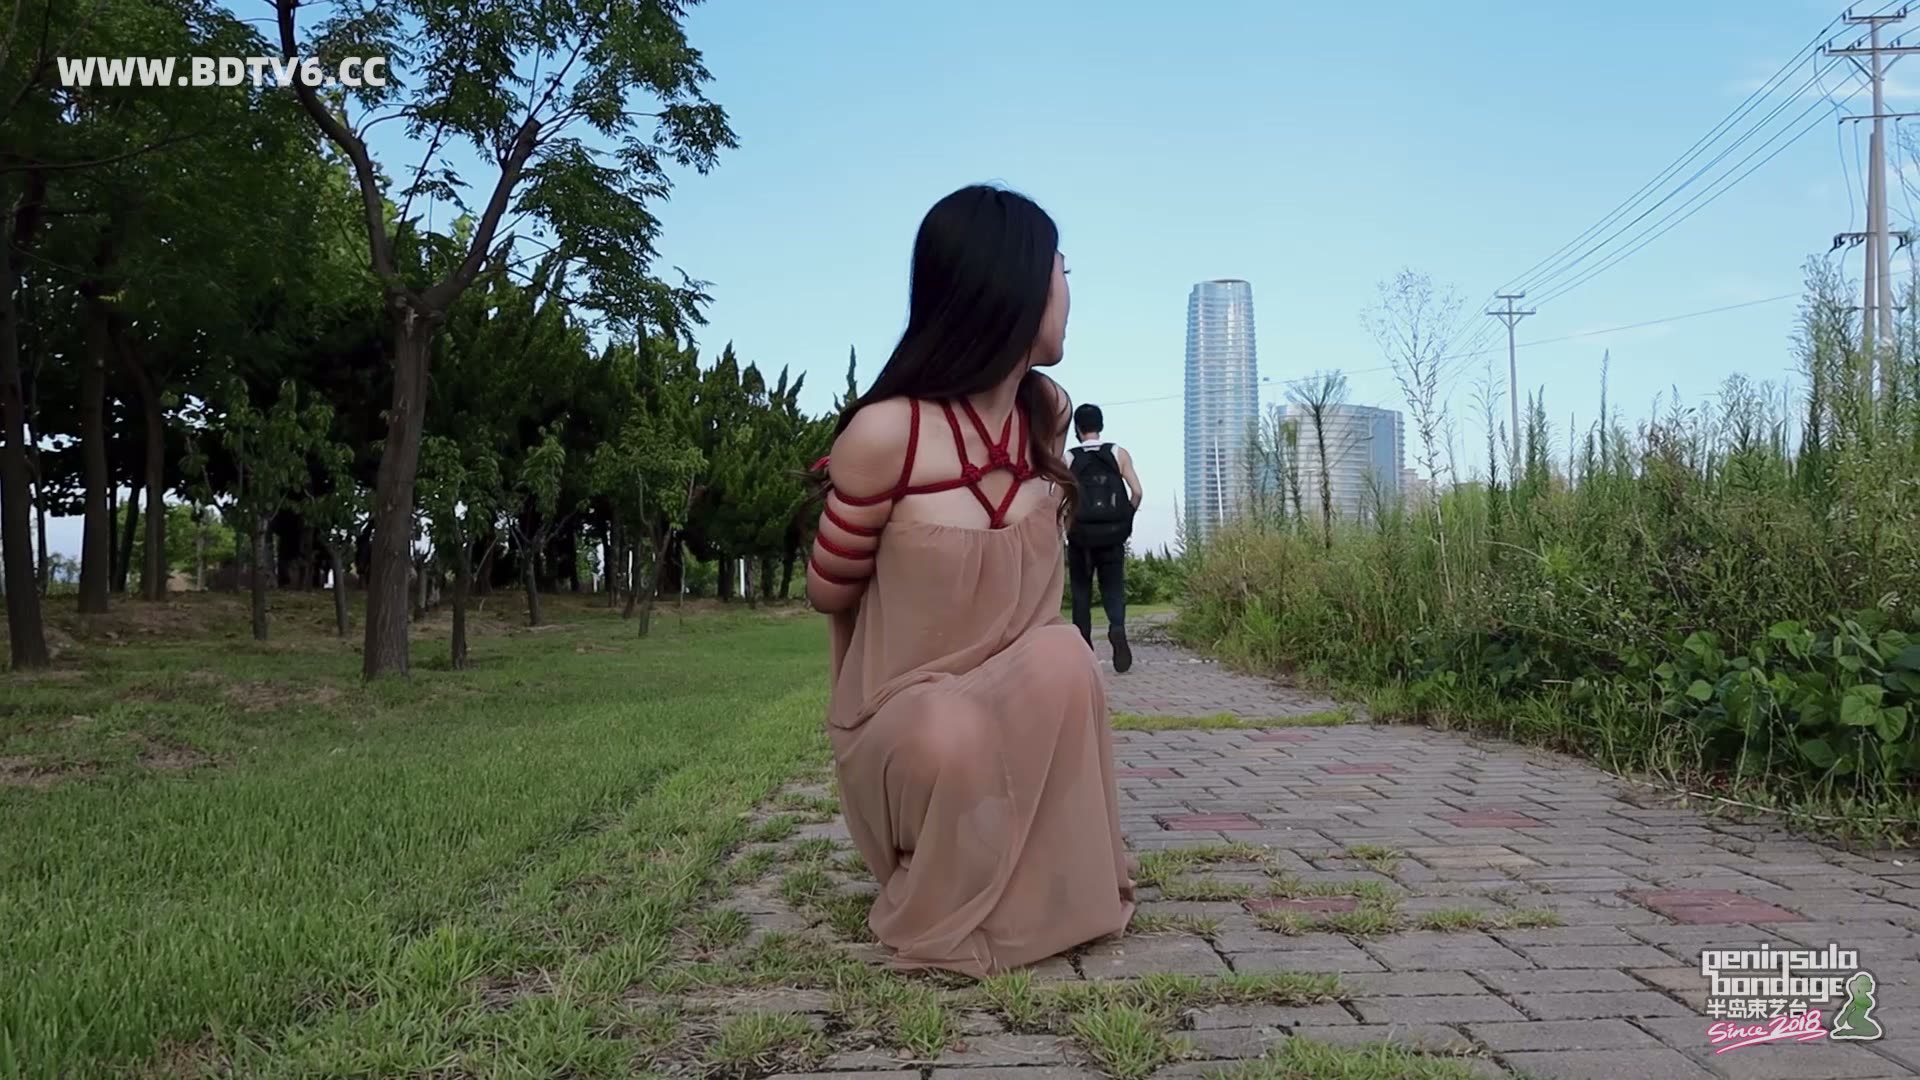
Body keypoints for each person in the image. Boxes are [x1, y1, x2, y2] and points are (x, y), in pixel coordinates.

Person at [804, 184, 1136, 977]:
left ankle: (1052, 891)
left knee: (1064, 656)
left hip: (1012, 703)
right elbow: (828, 592)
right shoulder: (886, 434)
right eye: (1061, 271)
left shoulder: (1044, 414)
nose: (1069, 292)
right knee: (949, 728)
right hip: (907, 727)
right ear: (1010, 285)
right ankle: (945, 891)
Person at [1065, 404, 1143, 672]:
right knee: (1113, 589)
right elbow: (1137, 492)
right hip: (1112, 536)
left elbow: (1057, 499)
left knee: (1081, 593)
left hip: (1081, 538)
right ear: (1100, 425)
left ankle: (1084, 650)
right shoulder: (1117, 453)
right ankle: (1117, 628)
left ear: (1077, 428)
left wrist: (1066, 526)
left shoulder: (1070, 458)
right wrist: (1125, 517)